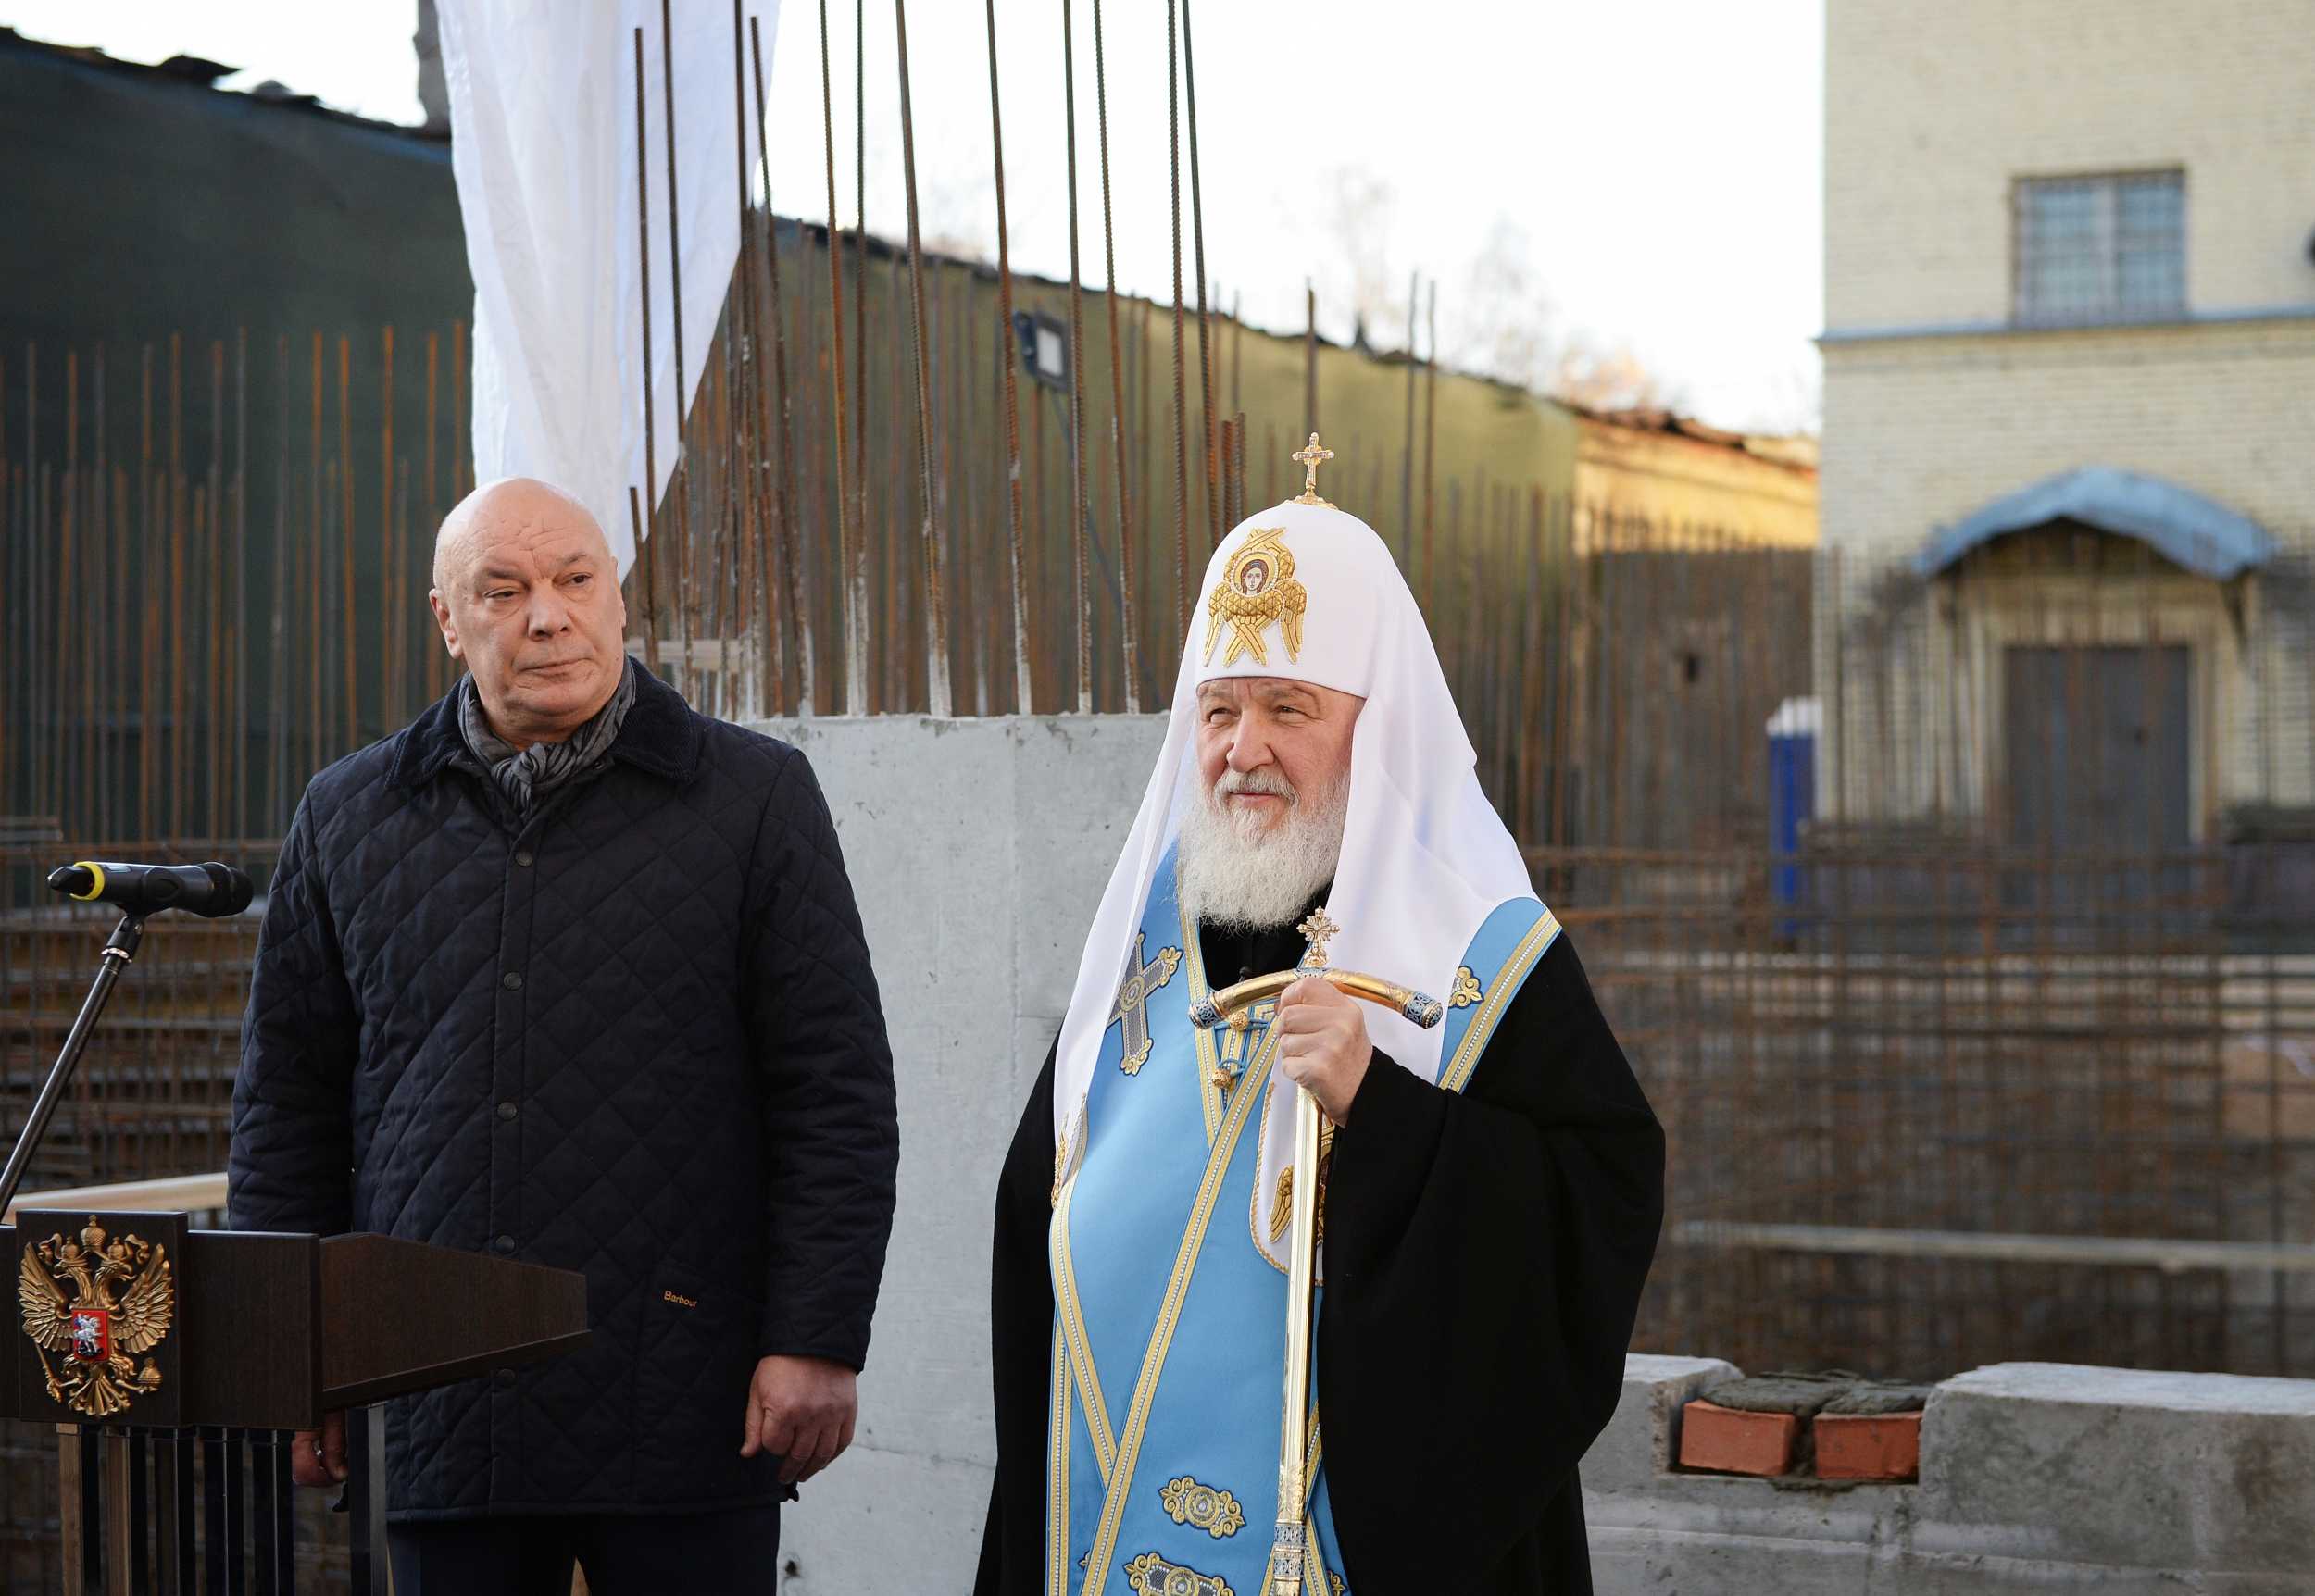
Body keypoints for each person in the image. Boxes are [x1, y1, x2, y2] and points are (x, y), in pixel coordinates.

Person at [974, 443, 1663, 1596]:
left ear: (1373, 725)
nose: (1243, 749)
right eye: (1219, 710)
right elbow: (1028, 1229)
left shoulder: (1478, 954)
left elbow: (1592, 1212)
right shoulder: (1139, 944)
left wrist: (1383, 1110)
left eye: (1287, 706)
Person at [230, 477, 898, 1595]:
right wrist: (286, 1362)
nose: (549, 614)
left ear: (618, 598)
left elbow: (834, 1090)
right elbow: (286, 1109)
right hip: (436, 1394)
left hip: (687, 1390)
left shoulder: (752, 797)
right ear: (448, 619)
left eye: (576, 579)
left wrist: (818, 1336)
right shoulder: (347, 816)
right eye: (505, 589)